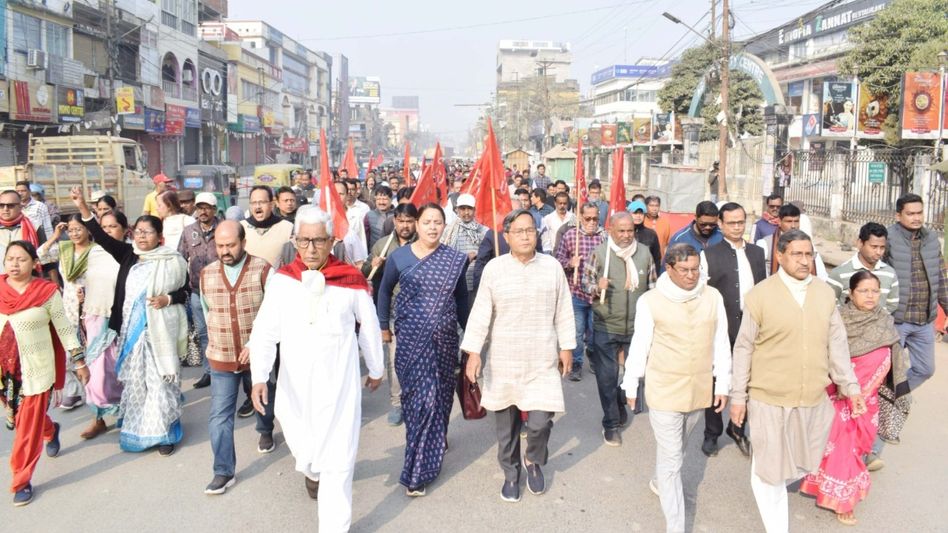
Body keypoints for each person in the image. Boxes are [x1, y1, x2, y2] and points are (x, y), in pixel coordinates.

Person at [247, 207, 383, 529]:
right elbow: (265, 330)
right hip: (296, 386)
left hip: (339, 384)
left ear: (332, 241)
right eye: (305, 241)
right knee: (304, 449)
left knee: (339, 458)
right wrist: (259, 376)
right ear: (294, 240)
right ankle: (311, 469)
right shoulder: (282, 282)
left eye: (318, 241)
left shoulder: (351, 280)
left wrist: (375, 367)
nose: (311, 248)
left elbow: (369, 326)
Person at [729, 229, 865, 533]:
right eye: (797, 254)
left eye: (808, 254)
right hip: (769, 397)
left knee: (804, 463)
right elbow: (744, 348)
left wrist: (850, 386)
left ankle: (767, 472)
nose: (805, 261)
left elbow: (837, 344)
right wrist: (738, 396)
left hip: (812, 398)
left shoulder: (824, 292)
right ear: (780, 256)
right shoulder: (760, 295)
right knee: (769, 473)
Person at [462, 209, 575, 503]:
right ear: (507, 236)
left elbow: (564, 309)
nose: (526, 235)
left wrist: (567, 347)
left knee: (539, 422)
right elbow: (481, 313)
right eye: (519, 231)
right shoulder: (495, 269)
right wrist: (474, 353)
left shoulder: (551, 267)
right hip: (504, 360)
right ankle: (511, 474)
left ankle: (533, 460)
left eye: (530, 230)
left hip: (542, 358)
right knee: (506, 427)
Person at [621, 243, 731, 533]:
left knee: (677, 449)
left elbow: (720, 342)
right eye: (684, 270)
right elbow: (640, 344)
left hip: (698, 390)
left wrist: (724, 383)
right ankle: (676, 526)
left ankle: (659, 480)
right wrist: (631, 382)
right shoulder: (651, 301)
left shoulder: (712, 297)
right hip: (664, 391)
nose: (691, 275)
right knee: (672, 461)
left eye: (695, 269)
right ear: (669, 269)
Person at [72, 187, 189, 456]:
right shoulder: (128, 254)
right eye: (138, 232)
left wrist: (167, 300)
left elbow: (185, 292)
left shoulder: (172, 260)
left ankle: (166, 433)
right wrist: (82, 207)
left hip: (159, 335)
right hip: (131, 337)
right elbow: (100, 236)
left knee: (160, 384)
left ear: (160, 237)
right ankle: (138, 429)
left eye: (148, 232)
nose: (142, 236)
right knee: (137, 385)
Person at [799, 271, 909, 526]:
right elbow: (827, 354)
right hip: (842, 396)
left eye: (875, 291)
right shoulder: (840, 320)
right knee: (842, 445)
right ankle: (842, 500)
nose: (870, 296)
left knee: (858, 446)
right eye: (864, 291)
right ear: (851, 293)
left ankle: (834, 486)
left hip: (870, 401)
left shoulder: (884, 319)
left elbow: (894, 357)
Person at [376, 203, 470, 496]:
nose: (432, 227)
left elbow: (462, 300)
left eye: (438, 222)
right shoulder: (399, 257)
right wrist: (383, 326)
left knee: (441, 398)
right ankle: (418, 470)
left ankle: (436, 437)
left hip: (444, 342)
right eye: (427, 221)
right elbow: (383, 290)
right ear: (416, 225)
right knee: (421, 402)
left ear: (445, 226)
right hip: (411, 343)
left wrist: (473, 337)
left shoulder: (455, 260)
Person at [1, 241, 85, 506]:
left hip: (37, 369)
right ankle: (50, 429)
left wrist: (79, 361)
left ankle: (21, 480)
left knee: (26, 428)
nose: (14, 264)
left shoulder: (46, 291)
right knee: (27, 416)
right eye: (10, 259)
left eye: (21, 259)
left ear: (34, 263)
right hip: (5, 371)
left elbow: (64, 328)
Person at [201, 221, 276, 495]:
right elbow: (207, 312)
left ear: (243, 242)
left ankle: (265, 429)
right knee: (219, 416)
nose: (225, 251)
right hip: (221, 357)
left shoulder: (264, 270)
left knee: (264, 401)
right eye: (220, 246)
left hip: (258, 358)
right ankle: (223, 471)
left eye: (230, 245)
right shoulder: (206, 275)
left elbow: (275, 314)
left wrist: (254, 343)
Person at [698, 202, 766, 458]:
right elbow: (703, 294)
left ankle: (737, 427)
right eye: (732, 223)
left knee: (747, 380)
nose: (737, 227)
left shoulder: (758, 254)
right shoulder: (709, 254)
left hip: (752, 328)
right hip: (721, 328)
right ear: (721, 224)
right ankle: (711, 433)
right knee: (717, 380)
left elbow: (763, 289)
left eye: (741, 222)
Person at [584, 211, 653, 444]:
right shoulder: (600, 253)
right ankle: (611, 423)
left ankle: (621, 400)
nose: (626, 235)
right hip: (606, 323)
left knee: (634, 373)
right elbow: (585, 284)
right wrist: (596, 286)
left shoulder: (644, 253)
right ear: (611, 230)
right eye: (621, 231)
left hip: (637, 325)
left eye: (630, 231)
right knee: (607, 377)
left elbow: (653, 288)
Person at [883, 193, 947, 392]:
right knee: (886, 370)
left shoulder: (931, 239)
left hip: (923, 320)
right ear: (898, 215)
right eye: (910, 214)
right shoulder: (887, 238)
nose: (916, 218)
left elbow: (942, 278)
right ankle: (876, 412)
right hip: (896, 320)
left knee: (925, 369)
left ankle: (893, 397)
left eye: (919, 213)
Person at [362, 203, 417, 427]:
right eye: (401, 221)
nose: (405, 226)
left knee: (420, 360)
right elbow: (364, 273)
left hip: (420, 312)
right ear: (395, 221)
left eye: (409, 221)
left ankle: (415, 400)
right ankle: (397, 403)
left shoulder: (423, 245)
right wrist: (372, 265)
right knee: (395, 361)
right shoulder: (382, 245)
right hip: (394, 312)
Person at [554, 202, 606, 382]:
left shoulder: (604, 237)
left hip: (597, 295)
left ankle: (591, 355)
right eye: (588, 218)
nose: (592, 222)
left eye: (595, 218)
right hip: (576, 293)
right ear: (580, 217)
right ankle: (576, 363)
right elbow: (557, 261)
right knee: (576, 332)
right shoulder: (570, 236)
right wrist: (570, 263)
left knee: (594, 332)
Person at [177, 193, 220, 391]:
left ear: (215, 209)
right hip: (196, 291)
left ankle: (226, 370)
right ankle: (209, 371)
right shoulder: (188, 231)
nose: (203, 211)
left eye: (207, 207)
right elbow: (180, 258)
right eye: (200, 207)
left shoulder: (224, 229)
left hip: (221, 290)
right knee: (203, 333)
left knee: (222, 331)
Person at [827, 222, 899, 313]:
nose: (878, 252)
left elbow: (892, 304)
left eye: (882, 247)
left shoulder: (890, 273)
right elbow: (829, 303)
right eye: (874, 247)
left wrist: (876, 321)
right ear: (860, 243)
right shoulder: (839, 273)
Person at [757, 204, 827, 279]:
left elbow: (821, 275)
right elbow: (760, 276)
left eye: (796, 221)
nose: (793, 226)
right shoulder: (765, 244)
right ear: (779, 222)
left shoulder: (807, 244)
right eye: (789, 221)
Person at [441, 193, 487, 294]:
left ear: (474, 209)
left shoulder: (483, 231)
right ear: (457, 210)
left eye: (469, 209)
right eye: (462, 209)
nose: (466, 212)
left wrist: (476, 255)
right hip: (454, 282)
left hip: (476, 281)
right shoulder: (449, 230)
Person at [241, 186, 294, 268]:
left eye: (262, 202)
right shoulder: (241, 227)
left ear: (272, 204)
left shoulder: (287, 228)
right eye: (254, 203)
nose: (258, 206)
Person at [0, 190, 41, 273]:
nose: (5, 209)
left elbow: (45, 257)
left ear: (20, 207)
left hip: (25, 281)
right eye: (1, 205)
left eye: (10, 205)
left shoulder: (34, 227)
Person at [628, 200, 663, 270]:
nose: (638, 216)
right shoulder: (624, 233)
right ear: (629, 214)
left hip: (646, 272)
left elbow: (657, 258)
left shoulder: (651, 234)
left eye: (641, 213)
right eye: (635, 213)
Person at [366, 185, 395, 250]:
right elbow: (365, 238)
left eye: (384, 199)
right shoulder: (369, 215)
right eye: (378, 199)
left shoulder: (397, 214)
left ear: (391, 199)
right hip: (375, 253)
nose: (381, 202)